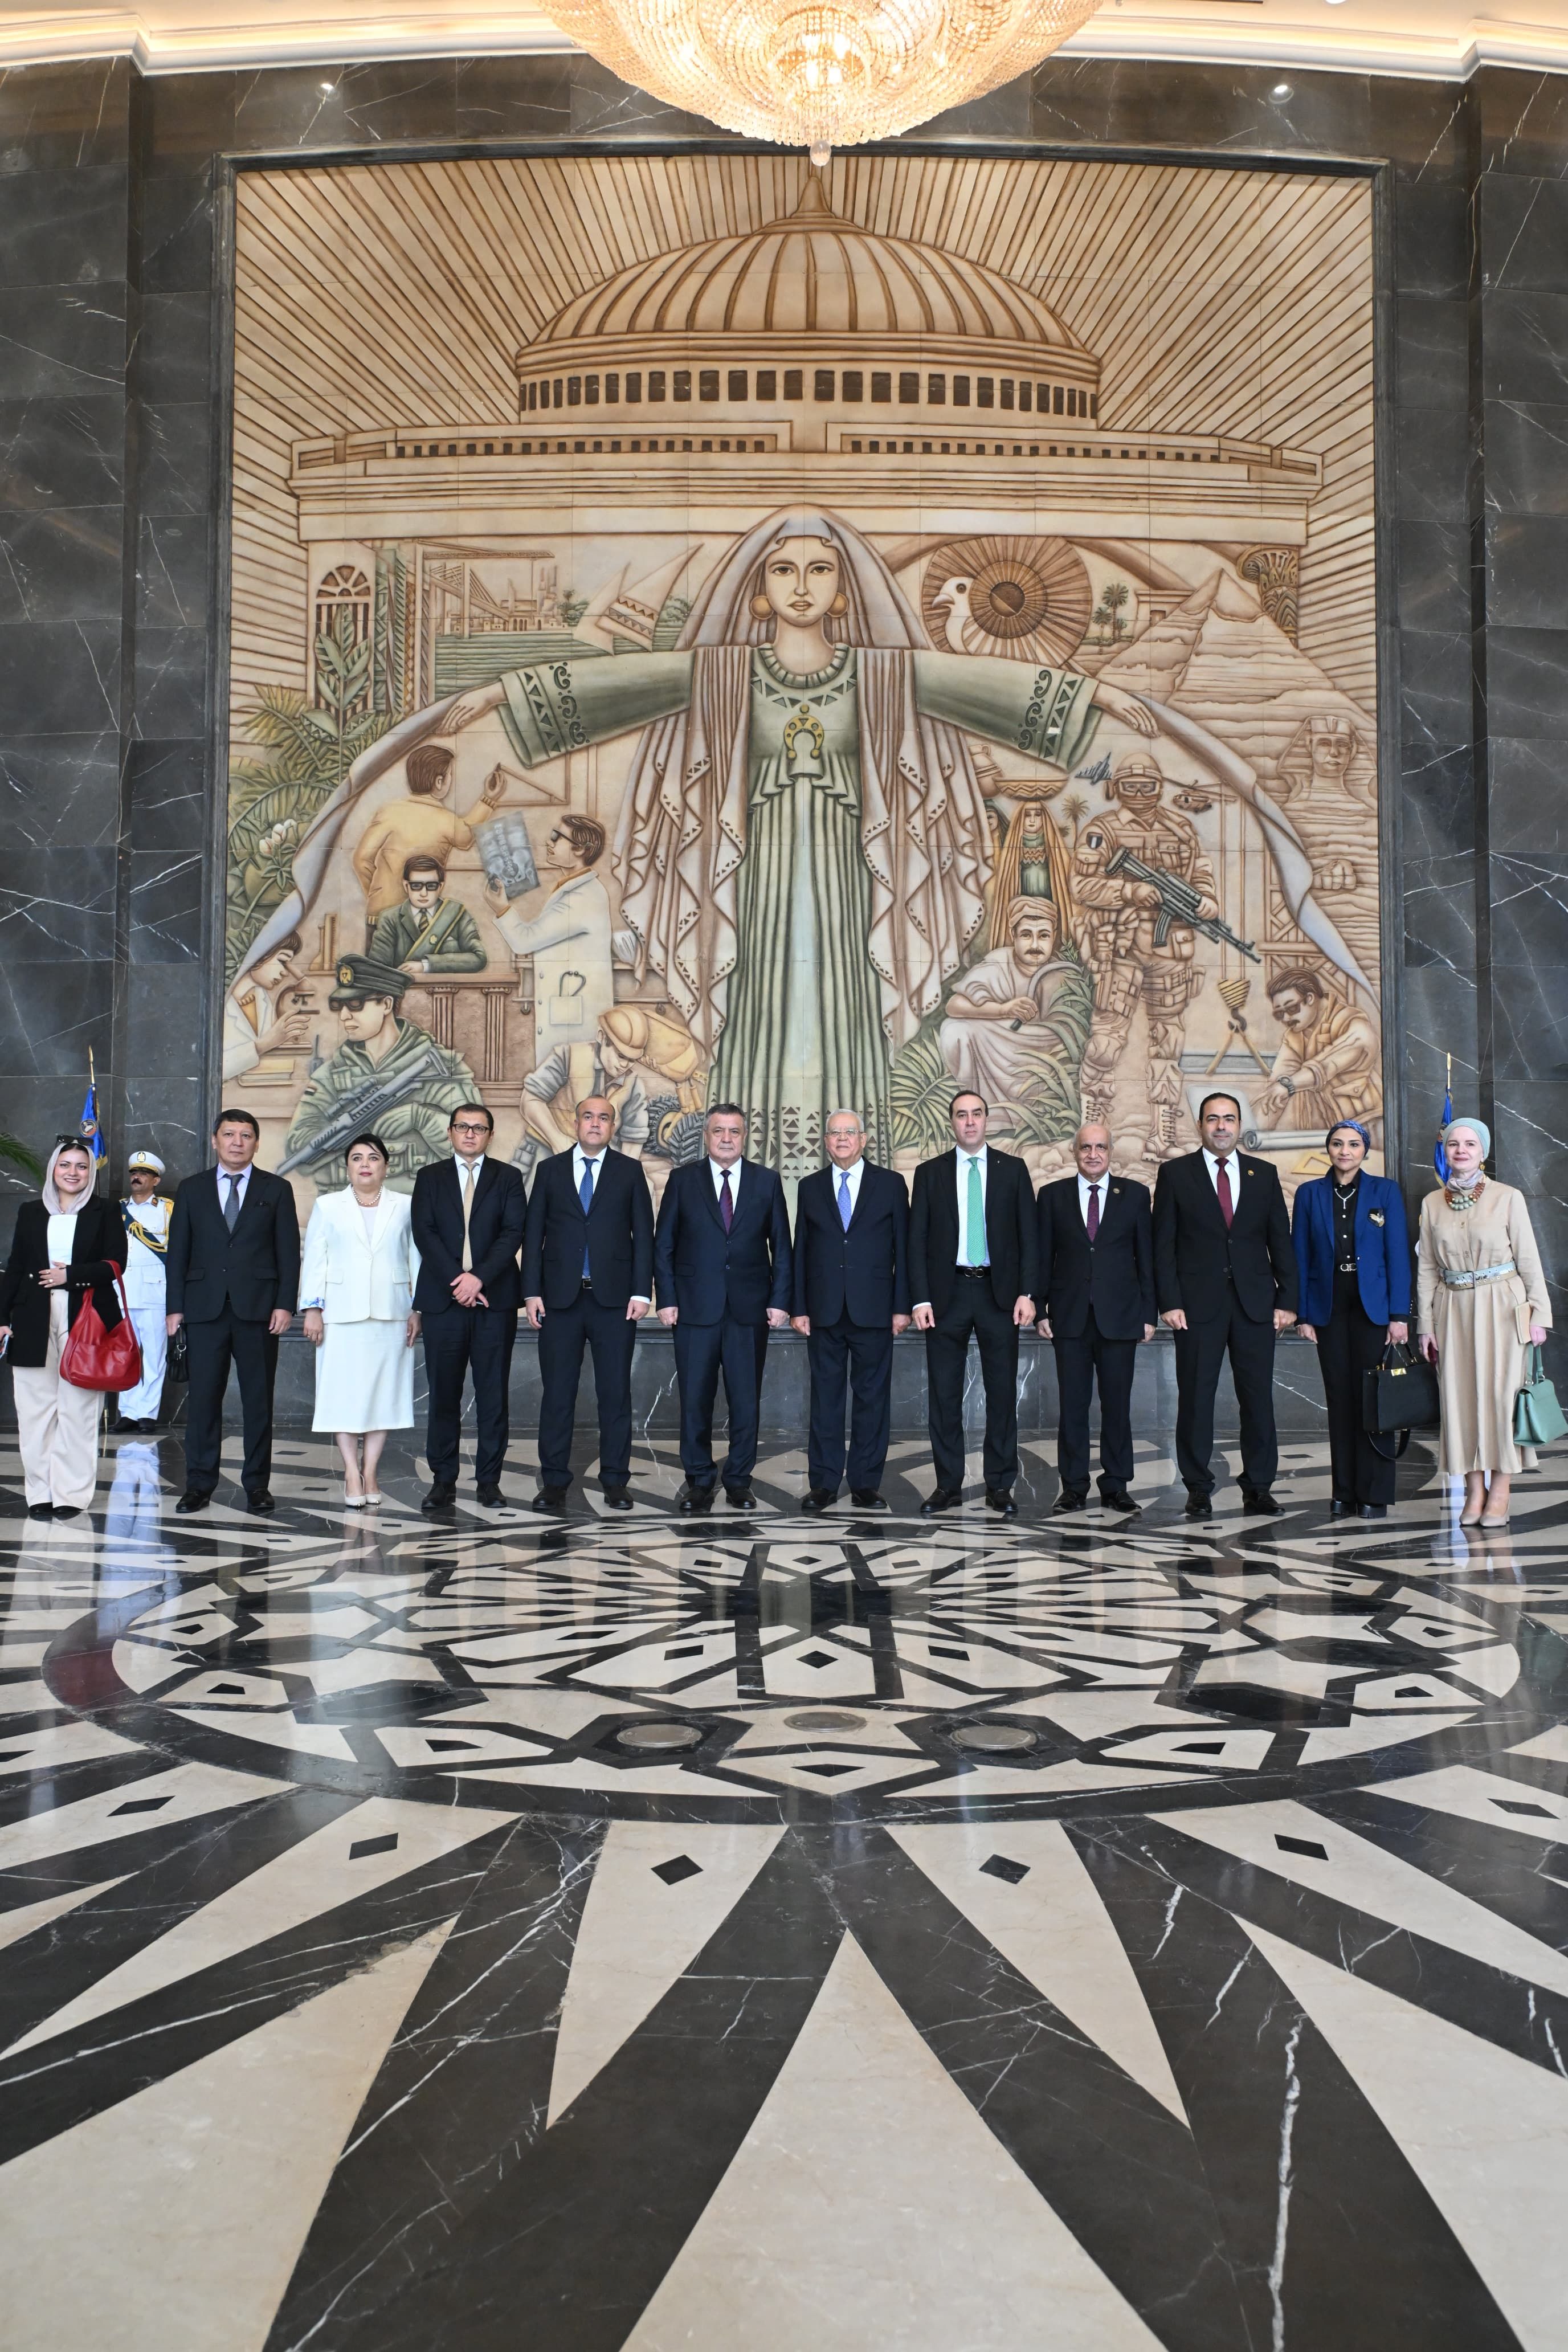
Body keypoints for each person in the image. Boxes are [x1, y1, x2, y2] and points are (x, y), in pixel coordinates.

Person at [439, 506, 1151, 1182]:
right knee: (759, 1001)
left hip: (849, 881)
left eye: (819, 570)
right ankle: (749, 1165)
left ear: (842, 587)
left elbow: (981, 686)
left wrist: (1097, 698)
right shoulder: (725, 674)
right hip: (758, 881)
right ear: (760, 588)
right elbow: (621, 685)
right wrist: (504, 694)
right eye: (784, 570)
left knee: (845, 998)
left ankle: (850, 1165)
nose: (801, 586)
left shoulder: (879, 675)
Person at [1152, 1091, 1297, 1518]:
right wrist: (1169, 1301)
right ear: (1200, 1125)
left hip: (1256, 1305)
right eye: (1213, 1119)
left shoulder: (1263, 1174)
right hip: (1196, 1307)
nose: (1221, 1127)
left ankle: (1259, 1487)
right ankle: (1198, 1487)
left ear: (1239, 1125)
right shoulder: (1175, 1174)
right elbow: (1163, 1245)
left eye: (1229, 1119)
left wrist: (1288, 1300)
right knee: (1196, 1398)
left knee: (1258, 1399)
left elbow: (1280, 1242)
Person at [1073, 752, 1219, 1160]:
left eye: (1148, 786)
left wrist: (1206, 900)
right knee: (1106, 1041)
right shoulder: (1102, 830)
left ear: (1160, 787)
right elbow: (1082, 885)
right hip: (1120, 948)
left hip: (1171, 949)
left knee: (1168, 1043)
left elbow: (1201, 875)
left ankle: (1163, 1133)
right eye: (1131, 786)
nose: (1139, 794)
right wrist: (1130, 891)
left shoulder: (1181, 829)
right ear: (1117, 788)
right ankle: (1092, 1128)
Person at [652, 1102, 793, 1513]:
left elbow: (782, 1247)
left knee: (745, 1402)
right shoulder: (683, 1180)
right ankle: (698, 1481)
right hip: (694, 1309)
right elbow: (664, 1245)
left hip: (750, 1311)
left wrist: (780, 1300)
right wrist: (667, 1298)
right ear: (706, 1136)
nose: (726, 1138)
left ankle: (738, 1482)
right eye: (719, 1131)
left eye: (734, 1131)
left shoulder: (766, 1181)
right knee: (695, 1399)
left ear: (745, 1137)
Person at [1416, 1117, 1551, 1530]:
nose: (1461, 1150)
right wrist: (1426, 1325)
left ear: (1483, 1153)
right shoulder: (1432, 1203)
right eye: (1453, 1144)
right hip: (1452, 1311)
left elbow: (1528, 1258)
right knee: (1460, 1401)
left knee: (1500, 1398)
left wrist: (1540, 1314)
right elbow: (1426, 1268)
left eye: (1470, 1144)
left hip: (1503, 1309)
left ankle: (1501, 1492)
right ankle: (1474, 1491)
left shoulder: (1508, 1197)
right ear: (1445, 1151)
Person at [522, 1094, 654, 1512]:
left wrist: (642, 1291)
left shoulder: (629, 1171)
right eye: (588, 1117)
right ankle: (554, 1482)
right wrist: (531, 1292)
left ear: (613, 1126)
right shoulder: (550, 1170)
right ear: (575, 1123)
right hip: (559, 1301)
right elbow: (533, 1234)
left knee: (614, 1395)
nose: (595, 1123)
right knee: (557, 1394)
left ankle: (615, 1481)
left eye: (604, 1118)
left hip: (614, 1302)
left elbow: (643, 1235)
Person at [165, 1109, 300, 1515]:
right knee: (204, 1401)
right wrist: (175, 1308)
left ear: (256, 1143)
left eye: (245, 1135)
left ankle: (257, 1485)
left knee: (258, 1402)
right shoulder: (191, 1189)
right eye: (229, 1134)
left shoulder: (277, 1189)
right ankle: (199, 1485)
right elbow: (178, 1252)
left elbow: (288, 1252)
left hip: (258, 1311)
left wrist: (285, 1303)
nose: (237, 1142)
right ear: (215, 1141)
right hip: (203, 1309)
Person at [909, 1091, 1038, 1516]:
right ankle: (947, 1484)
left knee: (1002, 1393)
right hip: (946, 1295)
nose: (969, 1122)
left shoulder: (1013, 1170)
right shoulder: (930, 1173)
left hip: (999, 1295)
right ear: (952, 1122)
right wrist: (920, 1299)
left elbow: (1029, 1237)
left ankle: (1000, 1485)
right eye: (961, 1115)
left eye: (976, 1114)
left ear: (987, 1120)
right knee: (944, 1394)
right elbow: (917, 1240)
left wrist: (1028, 1293)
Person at [791, 1109, 910, 1512]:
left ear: (863, 1139)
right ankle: (823, 1483)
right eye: (835, 1133)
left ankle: (865, 1484)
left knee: (872, 1399)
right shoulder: (810, 1187)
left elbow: (903, 1249)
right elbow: (801, 1249)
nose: (842, 1138)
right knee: (825, 1400)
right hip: (823, 1310)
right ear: (826, 1141)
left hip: (875, 1309)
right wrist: (799, 1306)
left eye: (850, 1132)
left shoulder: (891, 1184)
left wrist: (902, 1306)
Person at [0, 1138, 125, 1518]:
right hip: (31, 1318)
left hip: (86, 1318)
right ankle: (40, 1492)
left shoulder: (105, 1211)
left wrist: (69, 1276)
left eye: (82, 1166)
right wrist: (2, 1318)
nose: (73, 1173)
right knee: (35, 1411)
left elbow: (116, 1264)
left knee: (79, 1410)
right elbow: (16, 1267)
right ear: (53, 1169)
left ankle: (70, 1494)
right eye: (65, 1165)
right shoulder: (31, 1211)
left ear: (91, 1173)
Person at [1293, 1120, 1411, 1520]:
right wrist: (1303, 1314)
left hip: (1373, 1308)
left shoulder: (1385, 1191)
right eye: (1338, 1144)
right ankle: (1343, 1491)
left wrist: (1399, 1315)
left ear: (1365, 1150)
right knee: (1339, 1398)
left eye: (1354, 1144)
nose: (1345, 1151)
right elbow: (1300, 1256)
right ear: (1328, 1149)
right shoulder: (1309, 1194)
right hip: (1328, 1308)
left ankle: (1374, 1494)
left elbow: (1398, 1255)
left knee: (1374, 1399)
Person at [410, 1104, 525, 1512]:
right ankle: (443, 1480)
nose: (471, 1134)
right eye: (463, 1127)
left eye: (479, 1128)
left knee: (493, 1395)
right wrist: (458, 1281)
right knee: (444, 1394)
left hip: (494, 1301)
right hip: (443, 1302)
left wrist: (478, 1278)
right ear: (450, 1132)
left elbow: (513, 1232)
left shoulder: (508, 1177)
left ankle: (489, 1482)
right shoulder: (430, 1177)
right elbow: (424, 1233)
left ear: (490, 1135)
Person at [1036, 1124, 1155, 1514]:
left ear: (1110, 1151)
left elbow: (1146, 1258)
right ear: (1075, 1152)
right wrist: (1040, 1308)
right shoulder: (1052, 1196)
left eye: (1100, 1147)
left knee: (1117, 1406)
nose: (1093, 1154)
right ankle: (1073, 1487)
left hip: (1120, 1317)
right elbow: (1042, 1258)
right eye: (1085, 1147)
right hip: (1069, 1318)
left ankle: (1116, 1485)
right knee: (1072, 1407)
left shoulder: (1134, 1195)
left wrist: (1148, 1314)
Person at [282, 955, 478, 1188]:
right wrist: (352, 1132)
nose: (344, 1016)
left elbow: (473, 1144)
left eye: (356, 1004)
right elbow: (298, 1143)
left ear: (386, 1004)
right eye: (339, 1005)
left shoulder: (440, 1066)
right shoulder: (333, 1073)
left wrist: (421, 1118)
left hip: (419, 1201)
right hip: (346, 1200)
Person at [299, 1134, 421, 1505]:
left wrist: (417, 1308)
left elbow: (416, 1258)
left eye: (373, 1158)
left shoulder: (406, 1205)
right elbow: (315, 1259)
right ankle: (352, 1472)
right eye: (357, 1158)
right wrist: (313, 1309)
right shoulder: (328, 1206)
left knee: (385, 1396)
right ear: (347, 1167)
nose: (365, 1164)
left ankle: (371, 1471)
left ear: (386, 1166)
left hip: (392, 1313)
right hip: (340, 1314)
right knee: (343, 1396)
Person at [488, 812, 636, 1065]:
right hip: (569, 1013)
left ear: (579, 849)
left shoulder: (582, 898)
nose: (549, 842)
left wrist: (501, 908)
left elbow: (525, 940)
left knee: (568, 1078)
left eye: (557, 837)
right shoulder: (574, 889)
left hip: (574, 1023)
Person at [938, 897, 1087, 1128]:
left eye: (1044, 936)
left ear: (1054, 937)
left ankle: (1038, 1111)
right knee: (954, 1029)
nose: (1035, 945)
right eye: (1026, 935)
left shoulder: (1061, 974)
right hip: (997, 1047)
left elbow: (1069, 1032)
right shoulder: (999, 962)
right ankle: (979, 1110)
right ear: (1013, 935)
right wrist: (1004, 1009)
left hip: (1040, 1055)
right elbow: (954, 1006)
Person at [352, 741, 504, 925]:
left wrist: (378, 894)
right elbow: (466, 837)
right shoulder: (446, 820)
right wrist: (488, 799)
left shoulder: (388, 811)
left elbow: (361, 860)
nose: (451, 780)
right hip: (417, 918)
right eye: (450, 775)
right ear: (439, 782)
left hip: (379, 915)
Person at [1255, 968, 1382, 1136]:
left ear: (1310, 998)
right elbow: (1276, 1091)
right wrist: (1253, 1133)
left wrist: (1289, 1085)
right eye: (1280, 1014)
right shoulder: (1294, 1037)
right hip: (1327, 1135)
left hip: (1367, 1128)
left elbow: (1329, 1064)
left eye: (1291, 1008)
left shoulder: (1352, 1022)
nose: (1286, 1019)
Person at [116, 1149, 173, 1432]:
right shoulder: (117, 1210)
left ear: (156, 1180)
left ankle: (147, 1413)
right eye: (134, 1173)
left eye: (144, 1174)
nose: (137, 1177)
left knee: (153, 1356)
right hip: (121, 1292)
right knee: (126, 1354)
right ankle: (128, 1412)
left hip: (155, 1293)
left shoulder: (168, 1210)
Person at [368, 855, 488, 974]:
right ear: (406, 886)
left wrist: (427, 965)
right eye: (416, 886)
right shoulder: (390, 918)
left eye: (431, 886)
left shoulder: (458, 914)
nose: (424, 893)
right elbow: (378, 969)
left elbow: (479, 958)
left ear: (440, 886)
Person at [222, 933, 307, 1083]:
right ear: (259, 955)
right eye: (282, 961)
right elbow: (214, 1069)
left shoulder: (262, 1000)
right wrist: (261, 1046)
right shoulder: (219, 1004)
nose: (285, 972)